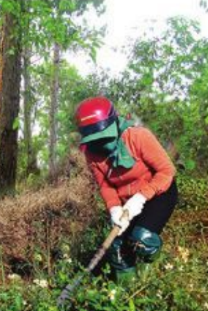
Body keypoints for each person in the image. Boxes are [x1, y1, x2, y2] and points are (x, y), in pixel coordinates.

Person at [74, 97, 178, 283]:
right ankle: (126, 294)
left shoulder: (138, 137)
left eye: (104, 136)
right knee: (117, 248)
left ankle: (154, 277)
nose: (101, 144)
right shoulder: (91, 153)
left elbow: (167, 171)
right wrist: (114, 208)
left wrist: (140, 197)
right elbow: (106, 185)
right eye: (94, 140)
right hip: (125, 204)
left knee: (142, 240)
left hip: (159, 192)